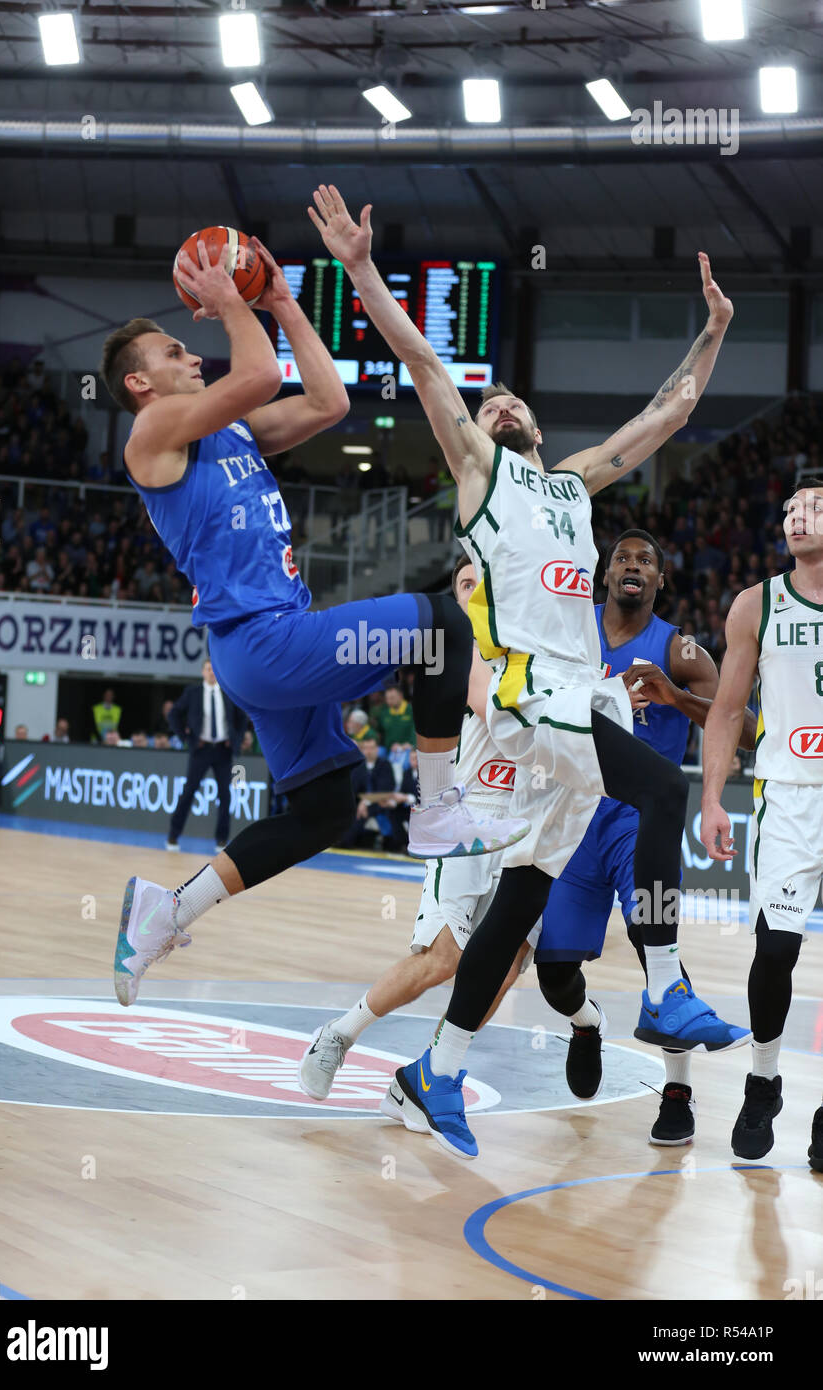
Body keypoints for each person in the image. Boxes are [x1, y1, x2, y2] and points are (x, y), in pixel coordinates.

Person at [310, 183, 747, 1158]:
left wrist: (711, 331)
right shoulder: (478, 469)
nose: (497, 401)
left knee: (518, 900)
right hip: (520, 701)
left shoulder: (568, 482)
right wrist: (358, 269)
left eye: (511, 399)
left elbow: (665, 415)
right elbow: (422, 358)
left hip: (572, 698)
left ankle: (437, 1069)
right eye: (487, 398)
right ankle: (666, 985)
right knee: (655, 790)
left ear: (537, 426)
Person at [101, 234, 528, 1007]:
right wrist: (234, 299)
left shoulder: (227, 431)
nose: (191, 351)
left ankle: (166, 913)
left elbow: (329, 401)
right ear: (139, 382)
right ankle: (435, 810)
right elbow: (260, 371)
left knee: (329, 805)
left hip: (269, 646)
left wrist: (284, 300)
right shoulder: (152, 434)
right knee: (442, 623)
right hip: (264, 641)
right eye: (173, 349)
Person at [524, 529, 756, 1145]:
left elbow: (746, 726)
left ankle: (677, 1093)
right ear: (605, 576)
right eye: (622, 558)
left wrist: (675, 697)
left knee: (659, 944)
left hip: (637, 819)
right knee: (553, 972)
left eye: (646, 561)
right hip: (572, 815)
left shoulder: (680, 651)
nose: (633, 565)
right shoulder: (570, 633)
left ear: (660, 582)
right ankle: (586, 1021)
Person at [300, 557, 530, 1099]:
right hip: (467, 820)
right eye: (465, 585)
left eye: (483, 584)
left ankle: (433, 1072)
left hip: (525, 828)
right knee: (440, 960)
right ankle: (337, 1035)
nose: (474, 593)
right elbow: (492, 706)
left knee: (510, 963)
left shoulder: (527, 645)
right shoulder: (459, 652)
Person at [701, 478, 823, 1171]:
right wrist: (713, 797)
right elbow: (726, 710)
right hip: (790, 796)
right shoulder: (759, 603)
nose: (797, 517)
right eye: (790, 509)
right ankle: (764, 1079)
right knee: (775, 951)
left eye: (815, 507)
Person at [166, 659, 248, 853]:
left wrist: (234, 739)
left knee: (225, 796)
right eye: (208, 669)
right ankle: (173, 835)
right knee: (189, 792)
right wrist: (186, 737)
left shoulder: (227, 692)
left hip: (222, 750)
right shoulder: (193, 693)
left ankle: (221, 840)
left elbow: (242, 717)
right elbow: (173, 714)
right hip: (200, 749)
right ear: (202, 672)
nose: (211, 672)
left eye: (213, 669)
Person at [336, 734, 396, 850]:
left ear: (377, 749)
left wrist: (366, 802)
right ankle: (340, 839)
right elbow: (353, 788)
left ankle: (345, 841)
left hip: (379, 803)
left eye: (371, 748)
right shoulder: (359, 767)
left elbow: (385, 789)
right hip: (359, 804)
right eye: (366, 748)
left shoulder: (385, 765)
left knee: (361, 813)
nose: (369, 751)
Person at [372, 683, 415, 752]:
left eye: (392, 698)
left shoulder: (411, 711)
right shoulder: (384, 713)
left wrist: (410, 744)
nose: (389, 701)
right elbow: (378, 731)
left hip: (408, 750)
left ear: (401, 696)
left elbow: (416, 731)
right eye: (387, 698)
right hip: (389, 752)